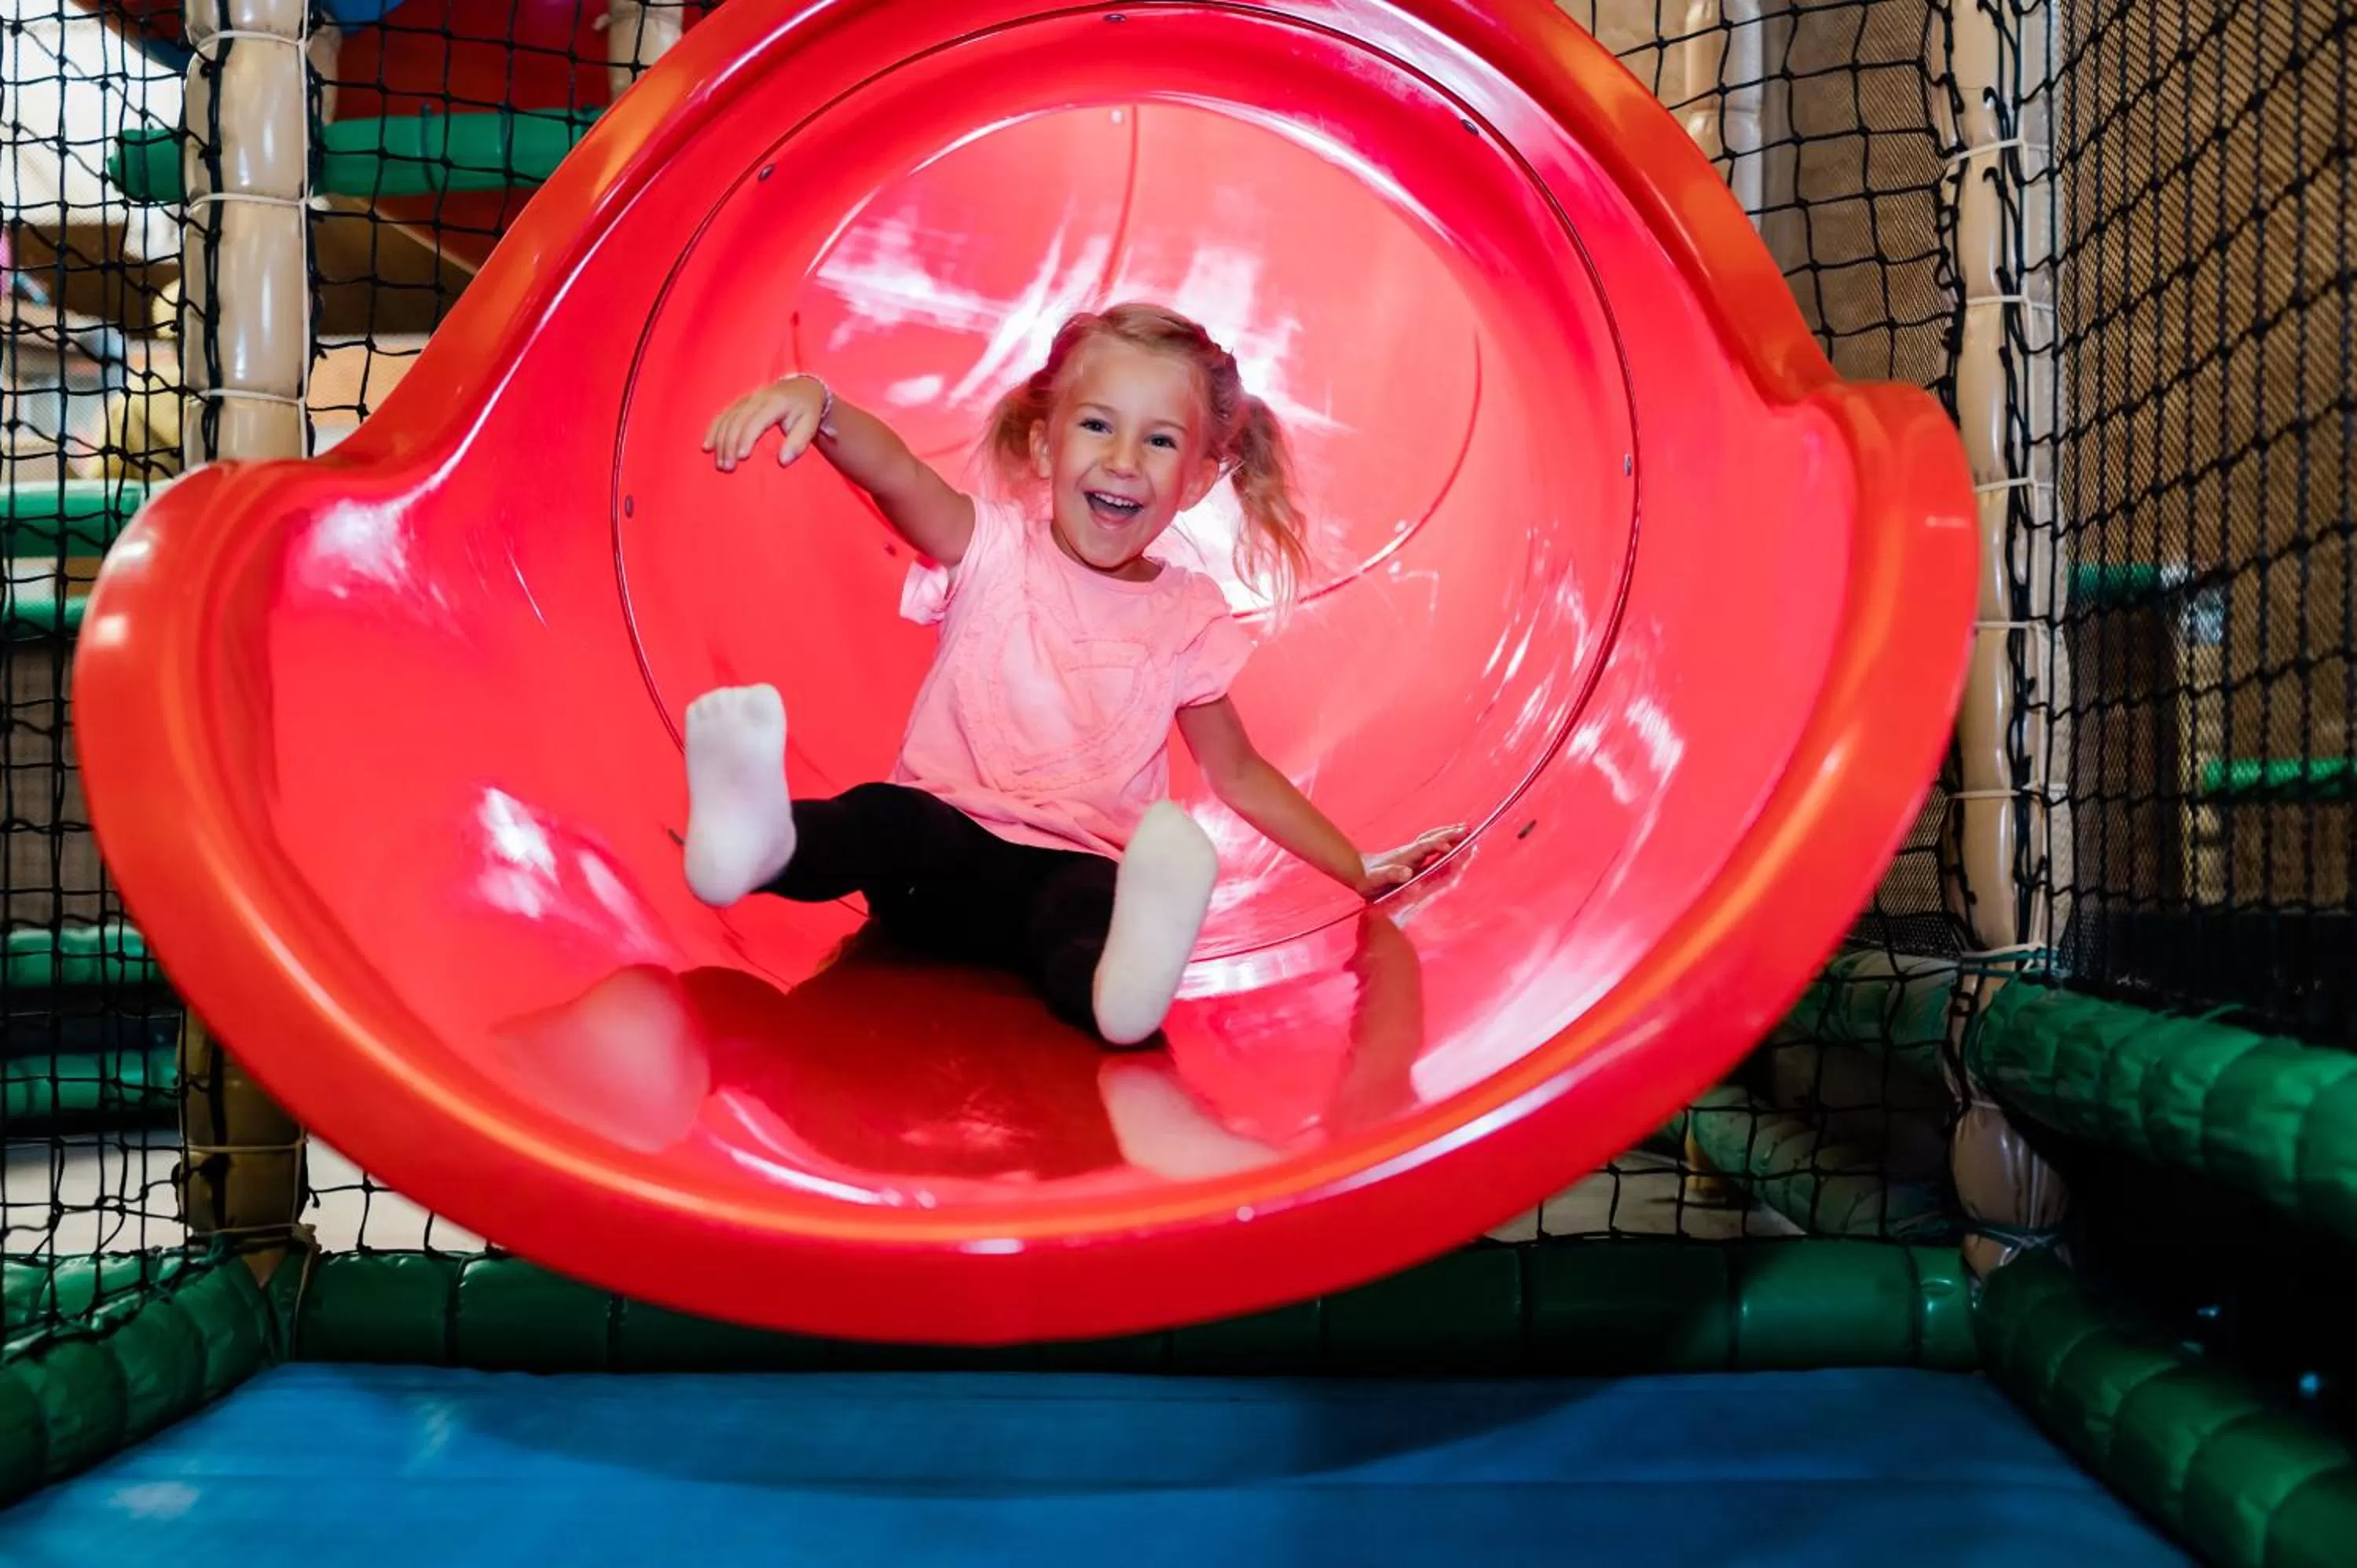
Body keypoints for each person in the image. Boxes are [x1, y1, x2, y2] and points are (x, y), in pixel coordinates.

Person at [683, 302, 1463, 1046]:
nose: (1123, 461)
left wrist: (1355, 867)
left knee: (1090, 916)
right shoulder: (989, 547)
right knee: (882, 819)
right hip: (939, 850)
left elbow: (1240, 773)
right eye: (1097, 426)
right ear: (1049, 447)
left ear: (1195, 481)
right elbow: (897, 476)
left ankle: (1117, 997)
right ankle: (760, 846)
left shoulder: (1186, 613)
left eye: (1160, 442)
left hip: (1073, 864)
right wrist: (818, 405)